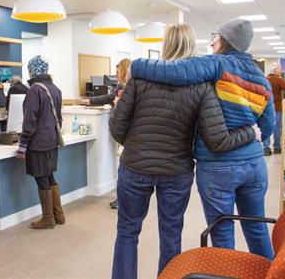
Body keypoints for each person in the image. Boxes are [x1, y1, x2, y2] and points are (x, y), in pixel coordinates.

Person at [109, 23, 257, 279]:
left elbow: (117, 127)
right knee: (171, 234)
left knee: (127, 231)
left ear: (165, 45)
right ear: (191, 46)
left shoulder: (139, 78)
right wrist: (251, 132)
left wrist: (135, 143)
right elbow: (217, 139)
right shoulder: (201, 85)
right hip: (175, 171)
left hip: (134, 166)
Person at [16, 56, 64, 229]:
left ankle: (48, 218)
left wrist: (22, 144)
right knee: (50, 176)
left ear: (31, 71)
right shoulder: (55, 88)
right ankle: (58, 215)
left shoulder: (34, 90)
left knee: (41, 178)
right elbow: (59, 117)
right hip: (51, 140)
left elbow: (29, 121)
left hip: (38, 143)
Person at [81, 58, 132, 209]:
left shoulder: (125, 87)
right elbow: (109, 98)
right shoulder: (126, 86)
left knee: (124, 166)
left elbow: (110, 99)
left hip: (126, 132)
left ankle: (122, 199)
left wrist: (91, 101)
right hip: (128, 133)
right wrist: (91, 101)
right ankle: (122, 198)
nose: (115, 74)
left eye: (117, 71)